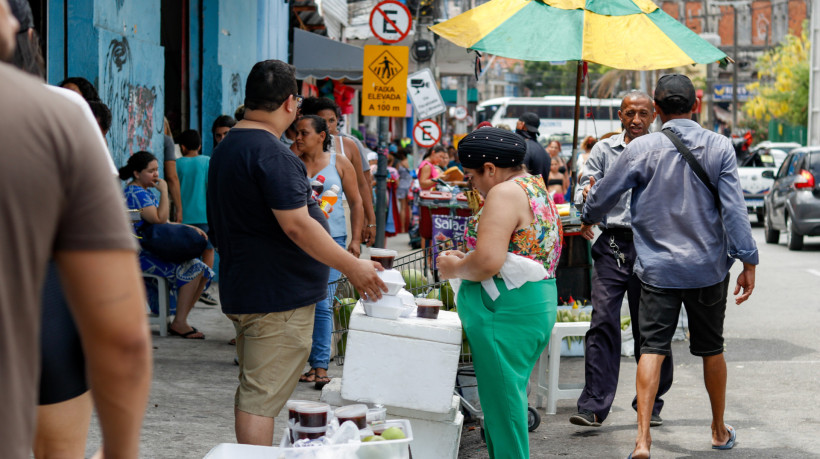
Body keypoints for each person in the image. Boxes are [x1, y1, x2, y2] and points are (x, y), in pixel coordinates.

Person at [206, 59, 386, 446]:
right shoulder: (272, 153)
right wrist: (352, 266)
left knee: (257, 392)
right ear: (291, 103)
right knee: (260, 399)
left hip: (249, 286)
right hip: (275, 299)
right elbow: (297, 225)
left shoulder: (229, 145)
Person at [1, 1, 152, 457]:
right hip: (42, 309)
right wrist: (119, 450)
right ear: (28, 37)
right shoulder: (57, 114)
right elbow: (120, 331)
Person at [582, 74, 757, 459]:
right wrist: (748, 260)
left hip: (657, 270)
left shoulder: (640, 149)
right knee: (712, 349)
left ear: (657, 110)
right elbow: (734, 211)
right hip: (709, 269)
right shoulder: (720, 147)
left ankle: (642, 440)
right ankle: (717, 428)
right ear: (695, 104)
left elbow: (599, 202)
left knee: (653, 350)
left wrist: (587, 207)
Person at [437, 127, 562, 459]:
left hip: (505, 311)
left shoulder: (504, 193)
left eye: (472, 176)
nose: (472, 184)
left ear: (490, 168)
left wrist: (454, 268)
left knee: (504, 410)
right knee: (504, 403)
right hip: (531, 302)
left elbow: (489, 261)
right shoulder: (535, 184)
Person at [570, 91, 674, 429]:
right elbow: (583, 186)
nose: (636, 120)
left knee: (653, 328)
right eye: (630, 113)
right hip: (613, 245)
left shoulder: (664, 150)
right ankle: (593, 406)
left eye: (643, 113)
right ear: (620, 115)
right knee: (602, 320)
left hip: (653, 245)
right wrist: (586, 195)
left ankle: (651, 401)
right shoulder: (603, 150)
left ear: (654, 116)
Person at [294, 114, 363, 389]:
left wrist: (355, 239)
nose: (297, 138)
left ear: (321, 136)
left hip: (332, 240)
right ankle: (303, 364)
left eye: (303, 133)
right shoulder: (291, 162)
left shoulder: (340, 162)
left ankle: (320, 367)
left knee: (323, 304)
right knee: (298, 304)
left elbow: (356, 202)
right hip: (296, 241)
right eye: (296, 133)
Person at [121, 151, 213, 339]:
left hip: (153, 249)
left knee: (203, 270)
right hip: (142, 254)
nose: (156, 174)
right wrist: (164, 192)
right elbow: (158, 219)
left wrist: (189, 227)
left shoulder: (143, 192)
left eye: (157, 170)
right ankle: (180, 322)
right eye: (151, 171)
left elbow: (164, 222)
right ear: (137, 173)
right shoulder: (135, 193)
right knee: (194, 268)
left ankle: (181, 318)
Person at [301, 97, 377, 246]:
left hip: (343, 211)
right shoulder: (301, 145)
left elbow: (363, 184)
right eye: (323, 121)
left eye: (332, 120)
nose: (328, 126)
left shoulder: (348, 144)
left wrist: (370, 221)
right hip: (307, 215)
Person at [176, 130, 218, 306]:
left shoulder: (177, 164)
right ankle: (203, 287)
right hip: (204, 216)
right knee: (208, 252)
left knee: (186, 255)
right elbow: (211, 187)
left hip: (184, 217)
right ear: (199, 145)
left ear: (183, 147)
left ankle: (185, 285)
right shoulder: (207, 161)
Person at [516, 112, 550, 181]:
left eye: (517, 122)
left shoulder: (523, 148)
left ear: (521, 124)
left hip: (525, 190)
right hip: (540, 190)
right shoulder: (543, 150)